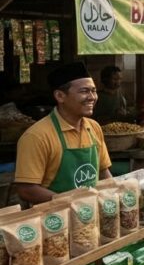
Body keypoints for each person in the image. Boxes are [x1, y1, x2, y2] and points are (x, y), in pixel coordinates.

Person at [15, 62, 114, 203]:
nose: (92, 97)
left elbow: (103, 172)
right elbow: (27, 190)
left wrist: (113, 194)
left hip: (90, 212)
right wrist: (72, 201)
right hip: (53, 219)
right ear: (60, 96)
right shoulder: (37, 136)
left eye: (94, 91)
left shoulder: (94, 127)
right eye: (84, 91)